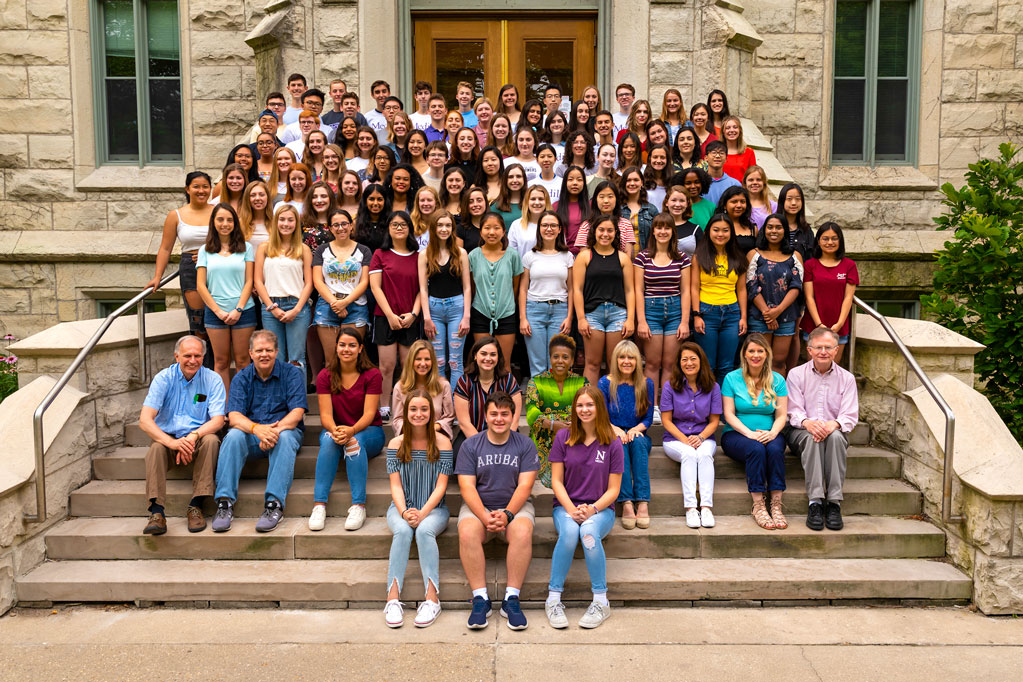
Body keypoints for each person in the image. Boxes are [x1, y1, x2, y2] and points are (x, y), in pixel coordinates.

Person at [456, 391, 539, 630]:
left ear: (513, 416)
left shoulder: (524, 444)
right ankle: (480, 598)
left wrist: (508, 515)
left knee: (522, 532)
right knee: (467, 532)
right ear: (485, 415)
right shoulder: (471, 445)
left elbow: (525, 485)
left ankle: (511, 599)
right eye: (494, 414)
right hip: (478, 507)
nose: (499, 418)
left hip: (515, 508)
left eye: (505, 414)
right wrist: (484, 516)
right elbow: (467, 486)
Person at [213, 330, 307, 533]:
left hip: (283, 432)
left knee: (286, 437)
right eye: (259, 350)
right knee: (233, 435)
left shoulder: (292, 373)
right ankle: (224, 503)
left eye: (269, 350)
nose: (264, 354)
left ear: (277, 352)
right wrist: (258, 430)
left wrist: (272, 432)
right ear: (251, 353)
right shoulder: (242, 377)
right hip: (253, 434)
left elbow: (297, 413)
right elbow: (235, 416)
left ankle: (274, 505)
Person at [545, 385, 623, 629]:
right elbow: (556, 481)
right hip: (565, 507)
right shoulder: (563, 437)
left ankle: (601, 600)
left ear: (599, 407)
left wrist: (592, 510)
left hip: (601, 511)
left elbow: (614, 490)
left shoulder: (612, 441)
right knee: (569, 533)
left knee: (588, 533)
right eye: (580, 405)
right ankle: (553, 598)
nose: (585, 409)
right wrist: (571, 509)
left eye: (590, 405)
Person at [139, 335, 225, 535]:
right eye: (187, 355)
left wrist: (193, 436)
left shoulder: (212, 379)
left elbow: (218, 420)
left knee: (212, 440)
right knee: (156, 449)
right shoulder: (163, 379)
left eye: (198, 355)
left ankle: (196, 505)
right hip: (168, 440)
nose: (193, 360)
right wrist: (173, 443)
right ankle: (157, 512)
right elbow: (145, 420)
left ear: (204, 357)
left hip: (198, 439)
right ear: (176, 356)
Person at [383, 389, 455, 628]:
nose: (418, 414)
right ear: (405, 412)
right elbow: (395, 485)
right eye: (413, 409)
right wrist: (404, 512)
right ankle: (392, 599)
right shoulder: (396, 443)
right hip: (401, 507)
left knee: (424, 531)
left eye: (424, 409)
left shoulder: (443, 443)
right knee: (403, 531)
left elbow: (441, 486)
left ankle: (432, 599)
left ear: (432, 413)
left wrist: (423, 513)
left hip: (434, 509)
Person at [309, 326, 385, 532]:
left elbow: (369, 415)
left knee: (354, 441)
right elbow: (325, 416)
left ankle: (358, 505)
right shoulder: (326, 375)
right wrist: (335, 431)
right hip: (337, 430)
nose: (346, 349)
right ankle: (319, 505)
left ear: (360, 348)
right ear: (336, 347)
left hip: (370, 432)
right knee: (326, 439)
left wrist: (350, 431)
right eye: (342, 345)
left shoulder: (372, 374)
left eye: (352, 345)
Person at [787, 327, 860, 531]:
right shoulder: (796, 374)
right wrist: (808, 423)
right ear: (809, 350)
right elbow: (792, 410)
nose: (823, 352)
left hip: (833, 431)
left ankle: (834, 502)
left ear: (836, 350)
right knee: (812, 439)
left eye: (828, 347)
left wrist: (833, 424)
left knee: (836, 438)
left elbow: (849, 415)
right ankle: (816, 502)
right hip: (800, 431)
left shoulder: (847, 378)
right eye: (818, 347)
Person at [721, 333, 789, 530]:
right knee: (756, 449)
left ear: (767, 354)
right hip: (737, 435)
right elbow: (729, 414)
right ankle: (758, 505)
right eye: (751, 351)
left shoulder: (777, 380)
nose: (756, 355)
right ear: (744, 354)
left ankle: (776, 504)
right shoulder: (731, 378)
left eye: (760, 351)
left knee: (775, 449)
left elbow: (781, 415)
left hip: (770, 433)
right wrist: (749, 434)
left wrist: (773, 433)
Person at [634, 213, 692, 421]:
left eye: (667, 228)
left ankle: (665, 405)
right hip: (651, 310)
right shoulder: (642, 257)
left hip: (675, 310)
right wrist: (641, 320)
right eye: (658, 227)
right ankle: (652, 406)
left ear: (672, 232)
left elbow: (685, 291)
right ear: (653, 231)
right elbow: (638, 290)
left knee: (669, 362)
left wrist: (685, 321)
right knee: (651, 362)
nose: (662, 231)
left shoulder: (682, 258)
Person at [196, 204, 257, 393]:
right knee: (220, 361)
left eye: (229, 220)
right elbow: (200, 285)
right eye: (220, 219)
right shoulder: (204, 250)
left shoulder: (246, 248)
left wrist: (238, 309)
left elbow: (249, 282)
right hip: (216, 313)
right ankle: (223, 408)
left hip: (243, 311)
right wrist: (219, 311)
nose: (225, 224)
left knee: (242, 360)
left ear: (235, 223)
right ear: (213, 222)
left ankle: (242, 404)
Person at [660, 342, 722, 528]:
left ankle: (706, 508)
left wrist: (700, 437)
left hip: (704, 437)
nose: (689, 363)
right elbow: (666, 421)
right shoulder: (670, 386)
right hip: (675, 439)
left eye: (693, 359)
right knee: (689, 454)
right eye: (684, 359)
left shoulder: (713, 387)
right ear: (679, 363)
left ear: (701, 361)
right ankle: (690, 508)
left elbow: (714, 422)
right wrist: (684, 439)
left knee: (703, 455)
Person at [369, 211, 422, 420]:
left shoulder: (419, 256)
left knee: (408, 366)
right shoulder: (380, 255)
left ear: (410, 228)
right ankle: (384, 406)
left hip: (410, 317)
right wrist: (390, 315)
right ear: (388, 229)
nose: (399, 228)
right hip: (385, 317)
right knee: (387, 366)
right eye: (394, 224)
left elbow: (421, 290)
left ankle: (406, 406)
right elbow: (375, 287)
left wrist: (414, 314)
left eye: (403, 224)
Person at [149, 172, 215, 340]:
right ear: (187, 189)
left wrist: (207, 253)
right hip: (191, 269)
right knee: (198, 321)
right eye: (196, 187)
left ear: (210, 189)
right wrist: (158, 276)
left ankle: (217, 364)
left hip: (217, 266)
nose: (201, 191)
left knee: (218, 321)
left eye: (205, 187)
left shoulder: (218, 212)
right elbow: (165, 248)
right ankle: (201, 365)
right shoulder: (175, 215)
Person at [574, 214, 636, 384]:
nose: (605, 234)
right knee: (592, 363)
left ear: (616, 233)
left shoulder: (622, 258)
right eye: (601, 230)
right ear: (594, 232)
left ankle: (612, 405)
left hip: (618, 314)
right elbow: (577, 290)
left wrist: (630, 319)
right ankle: (591, 403)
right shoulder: (585, 256)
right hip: (592, 314)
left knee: (614, 363)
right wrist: (580, 318)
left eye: (610, 230)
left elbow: (630, 291)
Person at [598, 340, 653, 530]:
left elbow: (648, 418)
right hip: (612, 433)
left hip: (638, 434)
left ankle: (643, 501)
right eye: (622, 357)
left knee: (637, 444)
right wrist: (616, 430)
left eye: (631, 357)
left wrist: (636, 430)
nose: (626, 361)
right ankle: (627, 502)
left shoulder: (646, 384)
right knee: (619, 445)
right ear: (616, 359)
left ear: (638, 360)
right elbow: (602, 415)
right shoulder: (606, 383)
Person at [254, 204, 314, 369]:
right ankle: (279, 395)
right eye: (282, 219)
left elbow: (309, 283)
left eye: (290, 220)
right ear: (275, 222)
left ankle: (297, 395)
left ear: (296, 223)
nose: (286, 224)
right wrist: (271, 307)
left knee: (297, 359)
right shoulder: (264, 248)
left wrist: (296, 310)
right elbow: (258, 281)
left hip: (297, 306)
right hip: (270, 307)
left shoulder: (303, 249)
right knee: (274, 357)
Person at [525, 333, 587, 487]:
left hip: (574, 434)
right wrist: (553, 425)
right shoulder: (537, 382)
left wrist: (574, 424)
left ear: (572, 360)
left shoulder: (581, 382)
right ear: (550, 358)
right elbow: (532, 411)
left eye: (565, 357)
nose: (560, 361)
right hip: (544, 437)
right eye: (556, 356)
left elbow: (590, 407)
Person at [418, 211, 471, 392]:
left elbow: (467, 287)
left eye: (448, 225)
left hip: (457, 307)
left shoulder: (461, 253)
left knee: (455, 362)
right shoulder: (424, 255)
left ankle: (457, 408)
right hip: (434, 310)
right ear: (433, 228)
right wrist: (426, 317)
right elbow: (423, 288)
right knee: (438, 361)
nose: (444, 229)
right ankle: (441, 406)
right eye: (440, 225)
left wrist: (466, 316)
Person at [691, 213, 747, 380]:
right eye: (716, 230)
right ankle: (708, 403)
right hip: (706, 312)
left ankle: (725, 405)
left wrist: (743, 317)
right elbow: (694, 287)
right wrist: (696, 315)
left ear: (731, 233)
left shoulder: (738, 257)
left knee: (727, 365)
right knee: (707, 364)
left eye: (725, 230)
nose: (720, 234)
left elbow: (742, 289)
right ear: (709, 231)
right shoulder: (699, 256)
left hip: (732, 313)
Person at [746, 213, 804, 375]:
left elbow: (796, 286)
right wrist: (767, 313)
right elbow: (751, 285)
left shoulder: (794, 256)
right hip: (759, 316)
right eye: (770, 227)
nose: (774, 231)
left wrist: (777, 311)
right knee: (758, 362)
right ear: (764, 230)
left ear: (785, 231)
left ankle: (777, 398)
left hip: (786, 316)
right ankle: (757, 399)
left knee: (778, 362)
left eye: (778, 227)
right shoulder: (754, 254)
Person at [519, 211, 575, 378]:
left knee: (557, 363)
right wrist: (523, 318)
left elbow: (572, 289)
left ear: (559, 230)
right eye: (544, 225)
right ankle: (536, 403)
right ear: (539, 229)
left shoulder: (567, 256)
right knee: (537, 364)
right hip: (534, 311)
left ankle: (556, 403)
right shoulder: (530, 256)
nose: (548, 229)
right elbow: (523, 289)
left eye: (553, 225)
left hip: (560, 311)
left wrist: (569, 317)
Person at [312, 208, 371, 359]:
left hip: (356, 306)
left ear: (351, 226)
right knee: (331, 359)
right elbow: (318, 281)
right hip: (327, 305)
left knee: (351, 358)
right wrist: (335, 303)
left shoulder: (364, 251)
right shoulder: (321, 250)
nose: (341, 228)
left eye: (344, 224)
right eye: (336, 225)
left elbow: (364, 282)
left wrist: (345, 302)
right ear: (330, 229)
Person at [467, 212, 523, 371]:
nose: (492, 232)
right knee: (483, 364)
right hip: (480, 313)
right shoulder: (473, 256)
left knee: (504, 364)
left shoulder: (512, 255)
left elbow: (515, 286)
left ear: (504, 231)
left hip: (506, 314)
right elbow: (472, 286)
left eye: (496, 228)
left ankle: (506, 395)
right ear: (480, 231)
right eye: (487, 228)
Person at [801, 222, 859, 363]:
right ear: (818, 241)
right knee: (813, 370)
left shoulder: (849, 265)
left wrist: (839, 323)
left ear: (840, 241)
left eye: (834, 238)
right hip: (813, 325)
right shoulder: (810, 265)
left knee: (832, 370)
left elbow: (848, 298)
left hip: (839, 327)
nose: (830, 242)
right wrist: (819, 324)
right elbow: (809, 297)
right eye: (825, 238)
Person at [454, 336, 522, 438]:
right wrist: (483, 445)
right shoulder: (465, 382)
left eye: (493, 354)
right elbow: (464, 423)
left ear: (498, 358)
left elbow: (515, 419)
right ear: (475, 356)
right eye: (483, 354)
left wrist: (503, 442)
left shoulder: (508, 380)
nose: (488, 358)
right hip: (473, 436)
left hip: (505, 436)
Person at [391, 340, 456, 438]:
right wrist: (416, 430)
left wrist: (432, 428)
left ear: (433, 361)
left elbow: (449, 416)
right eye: (418, 359)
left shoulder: (443, 385)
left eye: (427, 359)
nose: (423, 363)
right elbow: (397, 420)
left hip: (436, 436)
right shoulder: (400, 387)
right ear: (411, 361)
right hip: (410, 437)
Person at [619, 167, 658, 250]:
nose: (632, 183)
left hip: (645, 260)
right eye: (628, 180)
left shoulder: (651, 210)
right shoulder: (617, 209)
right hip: (621, 259)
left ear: (642, 183)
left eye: (636, 180)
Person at [508, 184, 551, 260]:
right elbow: (511, 255)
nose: (537, 202)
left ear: (546, 201)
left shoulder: (554, 225)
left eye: (541, 199)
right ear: (527, 202)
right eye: (533, 199)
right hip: (523, 270)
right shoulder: (517, 225)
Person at [662, 184, 702, 256]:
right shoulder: (658, 228)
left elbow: (701, 257)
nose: (677, 204)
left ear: (687, 204)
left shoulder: (696, 230)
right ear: (666, 203)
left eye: (682, 201)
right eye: (674, 200)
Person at [702, 140, 742, 207]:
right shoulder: (699, 183)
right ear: (706, 158)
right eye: (714, 152)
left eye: (721, 153)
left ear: (726, 158)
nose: (717, 156)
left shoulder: (734, 184)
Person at [721, 116, 757, 181]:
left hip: (741, 190)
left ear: (740, 130)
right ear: (723, 132)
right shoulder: (718, 152)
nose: (731, 130)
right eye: (728, 128)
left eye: (735, 127)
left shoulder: (749, 152)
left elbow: (753, 176)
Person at [456, 186, 488, 253]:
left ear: (485, 202)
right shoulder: (460, 229)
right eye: (471, 202)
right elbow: (459, 257)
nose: (475, 204)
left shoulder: (495, 225)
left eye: (479, 200)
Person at [744, 165, 777, 230]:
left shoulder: (773, 206)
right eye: (751, 180)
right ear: (745, 183)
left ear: (764, 182)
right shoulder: (741, 205)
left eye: (758, 180)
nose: (755, 183)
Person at [365, 79, 392, 144]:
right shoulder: (367, 117)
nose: (381, 95)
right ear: (372, 95)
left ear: (389, 93)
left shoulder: (395, 115)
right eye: (377, 92)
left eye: (384, 91)